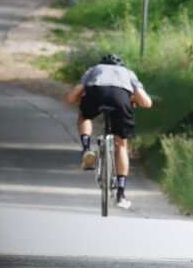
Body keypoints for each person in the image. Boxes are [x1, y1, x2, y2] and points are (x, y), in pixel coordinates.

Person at [65, 53, 153, 209]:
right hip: (120, 98)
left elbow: (72, 97)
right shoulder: (128, 73)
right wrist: (132, 99)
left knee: (84, 116)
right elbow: (146, 103)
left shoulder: (94, 69)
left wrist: (78, 101)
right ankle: (120, 194)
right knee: (121, 145)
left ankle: (86, 150)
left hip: (96, 94)